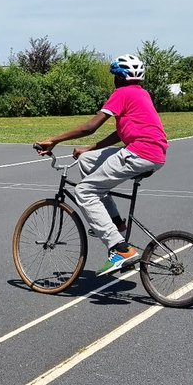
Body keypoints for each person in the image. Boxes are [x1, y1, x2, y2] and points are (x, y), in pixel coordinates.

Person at [35, 54, 168, 274]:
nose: (114, 80)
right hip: (154, 153)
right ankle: (116, 223)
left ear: (120, 77)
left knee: (84, 192)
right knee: (87, 161)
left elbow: (90, 127)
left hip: (138, 153)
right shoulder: (141, 94)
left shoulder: (121, 93)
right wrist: (90, 149)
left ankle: (120, 248)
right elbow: (121, 131)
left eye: (115, 76)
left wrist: (55, 140)